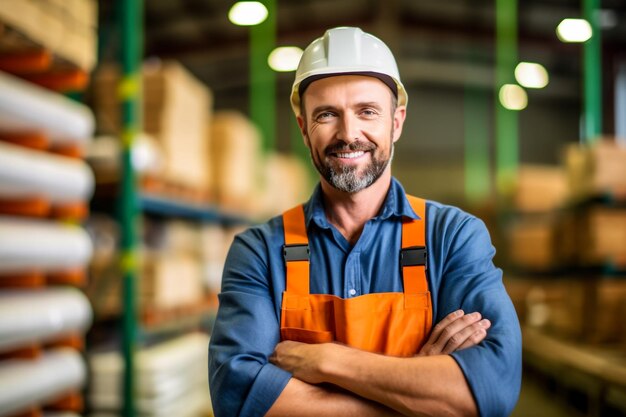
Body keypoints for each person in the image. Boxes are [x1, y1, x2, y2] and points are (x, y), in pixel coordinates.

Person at [209, 26, 521, 417]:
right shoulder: (259, 251)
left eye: (367, 111)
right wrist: (414, 392)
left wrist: (328, 363)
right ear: (305, 129)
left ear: (397, 122)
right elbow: (235, 398)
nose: (348, 134)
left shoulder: (453, 237)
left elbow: (491, 391)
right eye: (326, 114)